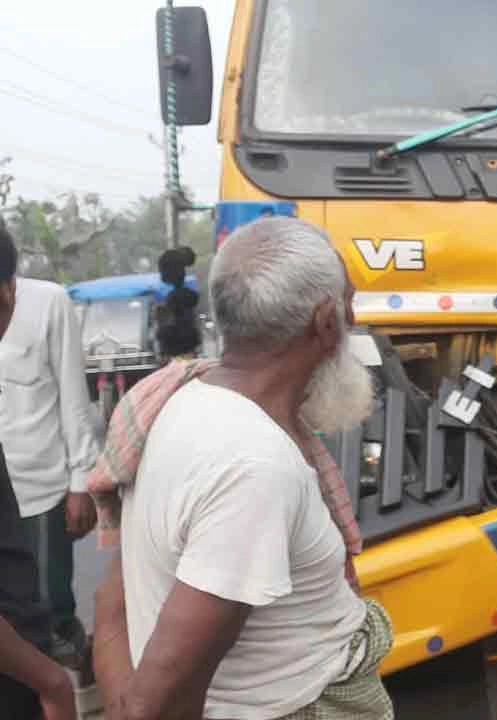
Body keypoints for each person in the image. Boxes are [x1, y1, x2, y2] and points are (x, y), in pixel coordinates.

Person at [92, 217, 391, 719]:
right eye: (349, 302)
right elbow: (152, 707)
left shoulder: (174, 402)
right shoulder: (254, 466)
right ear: (325, 322)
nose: (353, 319)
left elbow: (110, 607)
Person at [0, 224, 100, 666]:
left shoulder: (49, 302)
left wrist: (81, 482)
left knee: (50, 611)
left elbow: (73, 398)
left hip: (39, 490)